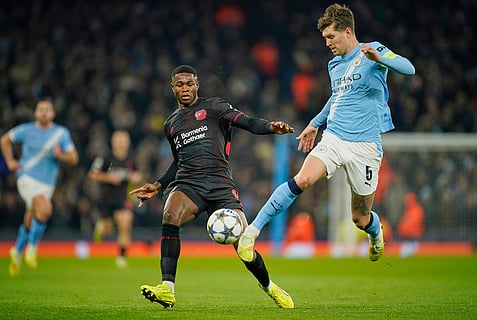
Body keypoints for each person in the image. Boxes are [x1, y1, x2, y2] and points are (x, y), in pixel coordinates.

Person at [237, 3, 415, 263]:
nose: (328, 43)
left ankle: (375, 233)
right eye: (325, 38)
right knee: (303, 179)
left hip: (365, 145)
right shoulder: (334, 65)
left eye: (331, 37)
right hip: (334, 137)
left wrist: (382, 58)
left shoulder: (372, 50)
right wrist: (315, 123)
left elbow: (408, 68)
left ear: (347, 31)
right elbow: (337, 98)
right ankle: (251, 232)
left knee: (360, 218)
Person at [129, 65, 295, 309]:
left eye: (189, 84)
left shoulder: (215, 108)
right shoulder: (171, 124)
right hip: (188, 184)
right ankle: (167, 288)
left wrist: (271, 127)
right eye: (180, 84)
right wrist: (158, 184)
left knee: (245, 247)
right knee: (170, 214)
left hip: (220, 185)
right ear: (172, 87)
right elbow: (178, 161)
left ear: (197, 85)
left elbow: (247, 122)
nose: (185, 88)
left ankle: (270, 286)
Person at [1, 98, 79, 277]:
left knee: (33, 213)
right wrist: (10, 161)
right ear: (36, 113)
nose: (44, 113)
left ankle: (17, 251)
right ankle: (32, 249)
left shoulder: (60, 133)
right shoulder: (26, 130)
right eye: (40, 109)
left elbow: (74, 158)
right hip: (26, 177)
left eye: (47, 110)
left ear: (53, 113)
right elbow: (5, 140)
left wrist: (61, 155)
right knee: (45, 208)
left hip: (47, 183)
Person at [88, 130, 142, 268]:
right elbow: (93, 174)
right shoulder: (106, 158)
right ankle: (101, 228)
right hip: (105, 198)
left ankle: (122, 256)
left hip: (122, 197)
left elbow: (137, 175)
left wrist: (135, 178)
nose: (121, 142)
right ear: (113, 141)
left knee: (125, 224)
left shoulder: (131, 159)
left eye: (123, 139)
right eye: (118, 139)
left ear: (128, 142)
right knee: (108, 230)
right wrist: (108, 178)